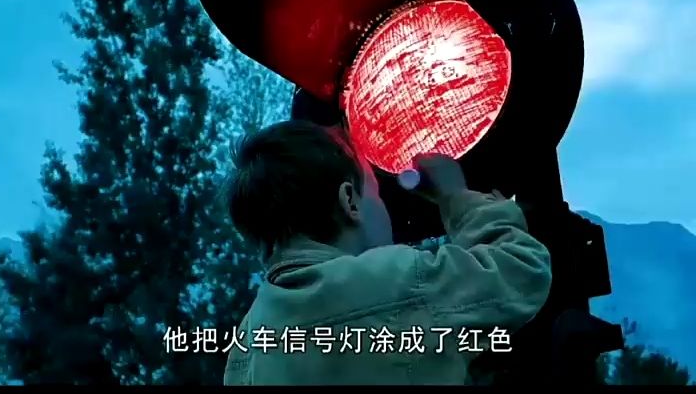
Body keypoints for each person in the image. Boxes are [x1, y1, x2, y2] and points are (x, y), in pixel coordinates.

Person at [223, 119, 552, 385]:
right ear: (350, 202)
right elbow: (522, 266)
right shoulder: (397, 280)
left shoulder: (246, 345)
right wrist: (456, 196)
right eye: (376, 193)